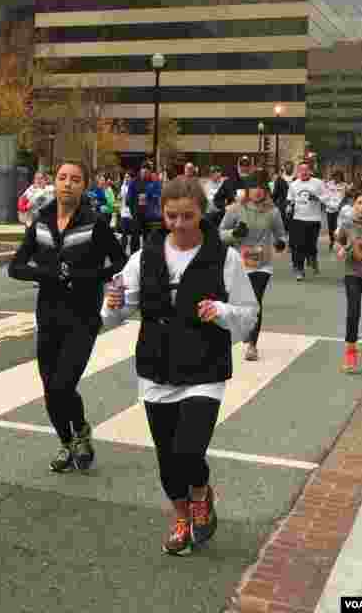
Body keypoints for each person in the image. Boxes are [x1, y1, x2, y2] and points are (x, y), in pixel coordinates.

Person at [103, 176, 258, 556]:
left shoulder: (225, 257)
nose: (179, 224)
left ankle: (202, 493)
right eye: (171, 216)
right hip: (157, 365)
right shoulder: (144, 256)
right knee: (167, 457)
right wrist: (112, 302)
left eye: (187, 216)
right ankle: (181, 516)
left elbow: (249, 314)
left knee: (189, 450)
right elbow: (116, 313)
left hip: (204, 366)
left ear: (201, 213)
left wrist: (221, 311)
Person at [8, 159, 127, 472]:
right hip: (48, 315)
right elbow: (16, 266)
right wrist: (46, 273)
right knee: (51, 388)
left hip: (83, 316)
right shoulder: (42, 222)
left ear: (83, 185)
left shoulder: (94, 222)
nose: (68, 183)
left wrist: (88, 275)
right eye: (62, 177)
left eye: (75, 179)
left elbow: (119, 262)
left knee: (63, 383)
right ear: (54, 183)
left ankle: (81, 433)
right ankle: (67, 441)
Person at [218, 170, 287, 361]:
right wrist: (234, 234)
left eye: (261, 188)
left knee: (255, 302)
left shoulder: (273, 211)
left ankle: (252, 344)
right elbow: (220, 233)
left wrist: (280, 243)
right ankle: (237, 332)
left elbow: (281, 234)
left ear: (266, 190)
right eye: (253, 187)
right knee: (239, 303)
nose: (257, 191)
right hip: (239, 263)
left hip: (262, 264)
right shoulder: (235, 209)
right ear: (247, 190)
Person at [335, 189, 362, 374]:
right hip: (352, 273)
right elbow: (338, 243)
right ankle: (350, 354)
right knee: (353, 312)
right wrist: (340, 249)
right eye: (360, 202)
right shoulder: (347, 225)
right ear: (354, 205)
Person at [286, 161, 325, 281]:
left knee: (310, 245)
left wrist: (317, 198)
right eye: (301, 170)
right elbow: (290, 199)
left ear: (310, 171)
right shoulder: (294, 184)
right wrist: (289, 207)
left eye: (306, 170)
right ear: (298, 172)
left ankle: (312, 258)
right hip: (298, 219)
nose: (303, 172)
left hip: (314, 219)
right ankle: (299, 269)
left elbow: (327, 197)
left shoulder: (318, 183)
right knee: (298, 245)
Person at [127, 161, 162, 242]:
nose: (145, 174)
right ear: (140, 171)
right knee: (135, 236)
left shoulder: (153, 182)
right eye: (143, 171)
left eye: (147, 172)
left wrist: (150, 197)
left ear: (150, 172)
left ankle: (147, 252)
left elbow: (158, 195)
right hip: (137, 213)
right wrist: (133, 212)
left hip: (149, 215)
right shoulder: (134, 182)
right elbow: (129, 199)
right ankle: (134, 252)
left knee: (148, 238)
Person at [323, 170, 347, 251]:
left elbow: (345, 197)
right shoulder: (329, 184)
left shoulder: (344, 185)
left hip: (339, 210)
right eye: (335, 176)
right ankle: (332, 241)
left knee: (339, 226)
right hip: (329, 209)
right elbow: (325, 195)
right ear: (333, 177)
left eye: (339, 176)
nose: (337, 178)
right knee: (331, 227)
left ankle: (341, 243)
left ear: (341, 177)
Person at [272, 161, 294, 232]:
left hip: (294, 204)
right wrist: (273, 203)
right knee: (283, 223)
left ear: (293, 168)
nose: (289, 169)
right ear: (284, 168)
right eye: (287, 167)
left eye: (290, 167)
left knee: (292, 224)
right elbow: (275, 193)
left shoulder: (296, 179)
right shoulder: (279, 179)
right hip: (282, 204)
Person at [118, 171, 137, 253]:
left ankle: (133, 252)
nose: (126, 179)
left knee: (133, 234)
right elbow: (121, 197)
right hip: (123, 214)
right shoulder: (123, 187)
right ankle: (123, 252)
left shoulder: (134, 187)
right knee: (124, 234)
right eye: (125, 177)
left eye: (128, 177)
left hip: (131, 214)